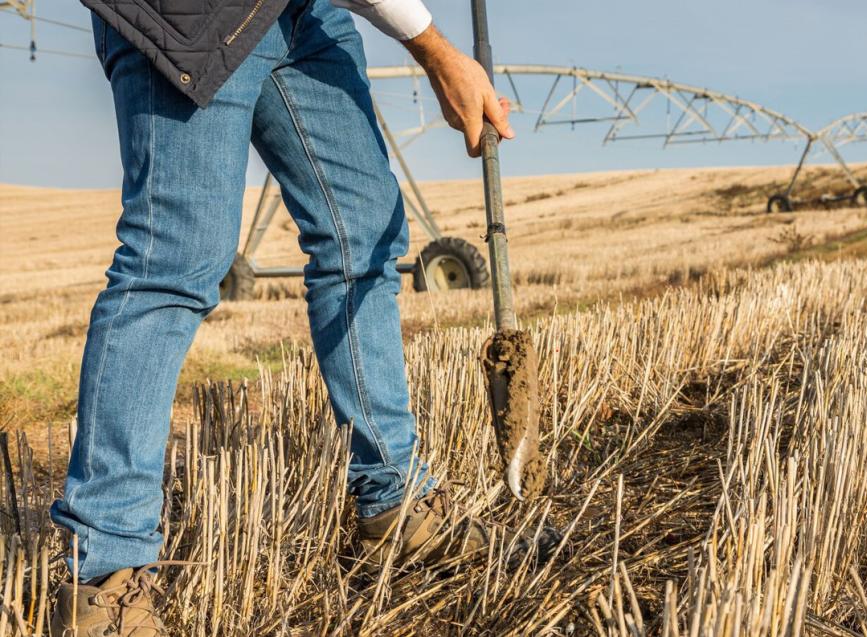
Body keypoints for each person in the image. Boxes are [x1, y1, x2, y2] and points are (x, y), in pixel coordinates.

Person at [49, 0, 524, 633]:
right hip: (189, 14)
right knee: (172, 262)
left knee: (364, 236)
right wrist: (436, 50)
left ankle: (394, 506)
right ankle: (104, 577)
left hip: (305, 14)